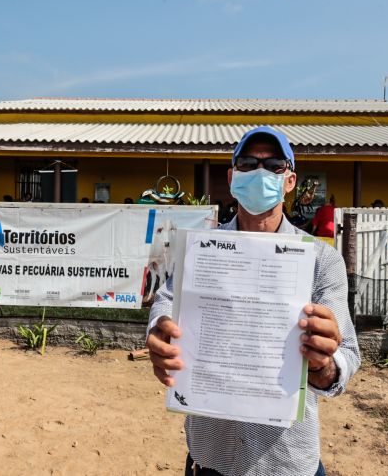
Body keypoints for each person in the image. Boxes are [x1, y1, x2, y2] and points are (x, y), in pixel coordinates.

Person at [146, 126, 360, 476]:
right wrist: (160, 330)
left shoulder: (321, 259)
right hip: (211, 456)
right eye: (248, 164)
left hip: (287, 461)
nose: (259, 173)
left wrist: (325, 365)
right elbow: (167, 302)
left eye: (273, 165)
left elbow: (346, 353)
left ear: (290, 180)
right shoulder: (202, 251)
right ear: (232, 178)